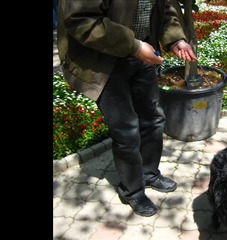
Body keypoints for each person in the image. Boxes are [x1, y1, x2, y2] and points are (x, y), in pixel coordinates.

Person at [57, 0, 198, 217]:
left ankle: (149, 173)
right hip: (102, 61)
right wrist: (134, 46)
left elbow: (165, 8)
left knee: (153, 119)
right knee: (126, 130)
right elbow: (80, 20)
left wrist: (176, 39)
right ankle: (132, 190)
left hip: (143, 52)